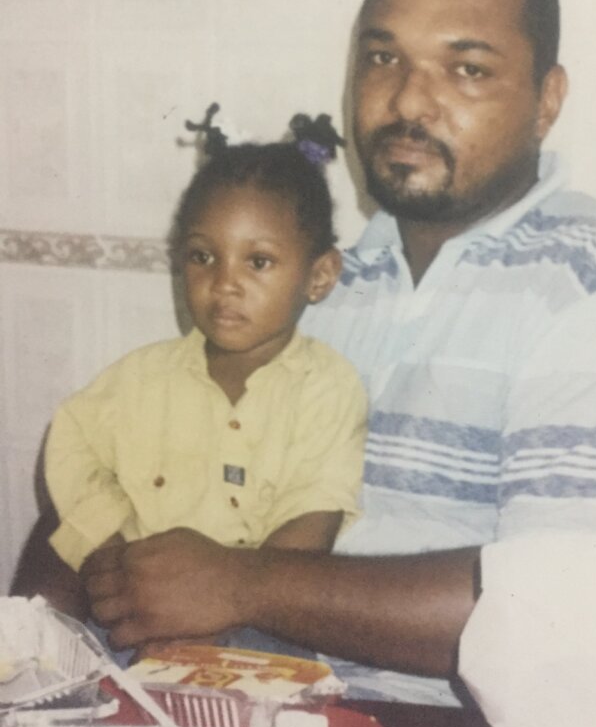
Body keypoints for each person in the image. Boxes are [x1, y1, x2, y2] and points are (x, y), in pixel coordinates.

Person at [14, 0, 596, 709]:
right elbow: (119, 476)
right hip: (277, 712)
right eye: (383, 58)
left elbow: (570, 616)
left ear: (546, 100)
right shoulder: (323, 288)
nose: (409, 101)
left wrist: (244, 583)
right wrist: (40, 666)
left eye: (467, 69)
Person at [15, 112, 367, 649]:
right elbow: (71, 442)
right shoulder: (141, 378)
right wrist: (109, 551)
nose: (224, 283)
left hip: (259, 629)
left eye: (258, 261)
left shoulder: (328, 388)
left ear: (318, 276)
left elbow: (312, 520)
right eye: (204, 256)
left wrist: (225, 613)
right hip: (134, 613)